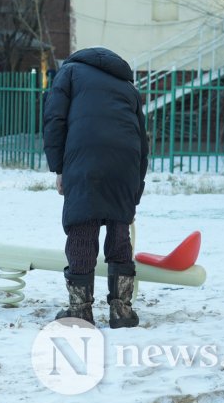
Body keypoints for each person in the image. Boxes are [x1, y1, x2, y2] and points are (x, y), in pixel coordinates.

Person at [43, 47, 149, 328]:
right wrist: (134, 192)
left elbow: (55, 120)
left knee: (82, 226)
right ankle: (121, 311)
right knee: (119, 228)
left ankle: (80, 309)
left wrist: (59, 167)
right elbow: (142, 136)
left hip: (84, 157)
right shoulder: (127, 86)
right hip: (125, 160)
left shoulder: (70, 72)